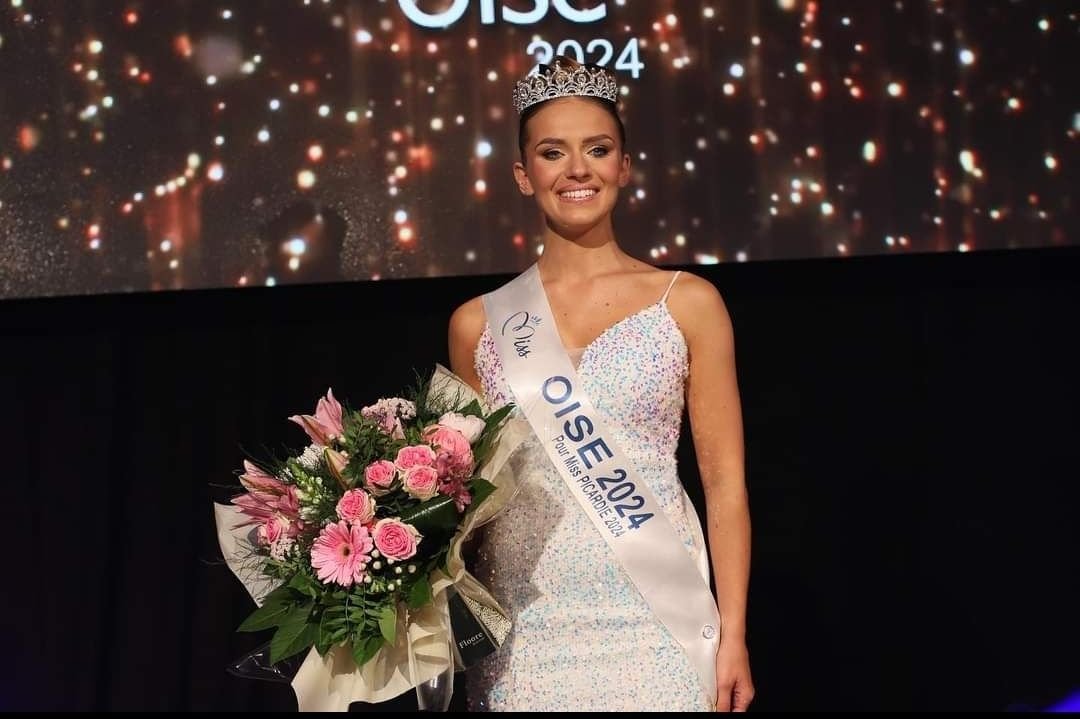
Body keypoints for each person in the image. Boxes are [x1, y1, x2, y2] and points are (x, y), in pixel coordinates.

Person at [447, 57, 754, 712]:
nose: (577, 169)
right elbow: (465, 502)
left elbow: (724, 482)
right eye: (553, 153)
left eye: (598, 149)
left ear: (624, 165)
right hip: (525, 635)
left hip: (659, 627)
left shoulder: (689, 302)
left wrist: (734, 635)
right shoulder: (478, 323)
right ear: (524, 176)